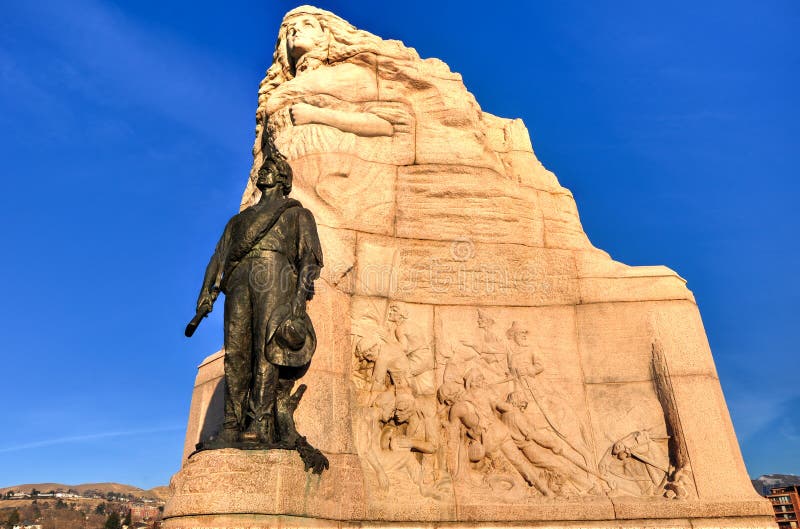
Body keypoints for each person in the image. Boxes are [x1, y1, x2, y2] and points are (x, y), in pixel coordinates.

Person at [192, 149, 326, 471]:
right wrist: (205, 293)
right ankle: (231, 423)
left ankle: (260, 423)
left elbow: (310, 259)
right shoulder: (238, 222)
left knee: (266, 351)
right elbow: (218, 258)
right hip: (238, 283)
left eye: (270, 168)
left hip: (275, 276)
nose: (263, 172)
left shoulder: (296, 214)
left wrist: (297, 300)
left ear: (282, 179)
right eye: (262, 168)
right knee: (236, 352)